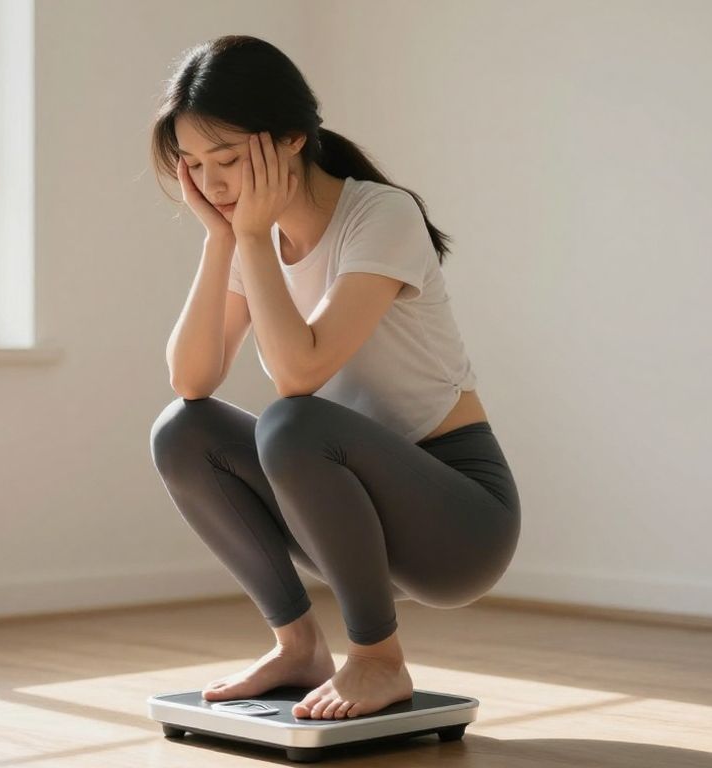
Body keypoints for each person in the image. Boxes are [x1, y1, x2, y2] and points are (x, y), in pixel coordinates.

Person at [147, 35, 521, 721]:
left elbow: (301, 372)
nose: (212, 185)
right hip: (343, 508)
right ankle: (298, 647)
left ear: (291, 138)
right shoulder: (252, 237)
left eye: (227, 159)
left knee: (293, 422)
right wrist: (221, 239)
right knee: (182, 431)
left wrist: (249, 238)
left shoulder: (380, 215)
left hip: (461, 522)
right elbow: (191, 380)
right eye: (194, 165)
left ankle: (378, 659)